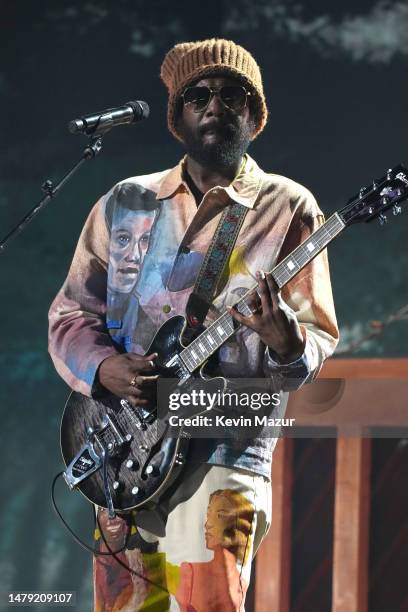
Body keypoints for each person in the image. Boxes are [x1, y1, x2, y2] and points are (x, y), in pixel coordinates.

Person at [49, 38, 339, 611]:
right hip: (123, 453)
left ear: (255, 115)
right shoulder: (124, 202)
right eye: (198, 95)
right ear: (177, 118)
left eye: (234, 95)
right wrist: (104, 365)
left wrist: (286, 341)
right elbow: (71, 314)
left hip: (226, 451)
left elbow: (317, 341)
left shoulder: (289, 207)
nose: (215, 105)